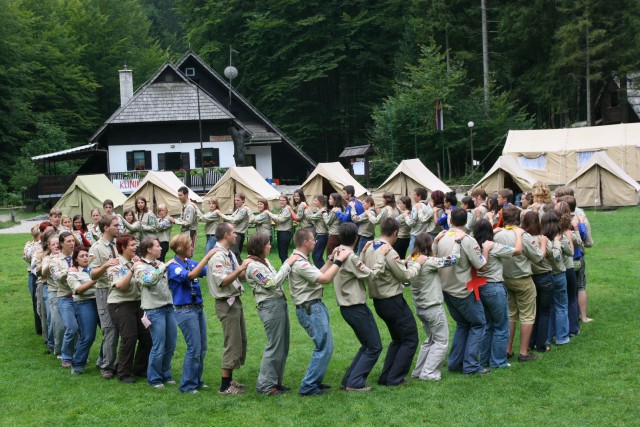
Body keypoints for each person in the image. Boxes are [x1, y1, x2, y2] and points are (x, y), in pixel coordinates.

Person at [361, 217, 426, 385]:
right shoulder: (389, 251)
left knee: (398, 339)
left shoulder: (369, 247)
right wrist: (417, 264)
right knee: (410, 339)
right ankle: (395, 378)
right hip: (393, 300)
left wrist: (403, 262)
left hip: (379, 301)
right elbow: (404, 275)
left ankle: (387, 376)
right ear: (396, 233)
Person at [288, 228, 350, 396]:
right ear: (306, 243)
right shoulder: (300, 263)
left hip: (314, 307)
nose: (316, 242)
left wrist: (331, 259)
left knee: (325, 346)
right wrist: (339, 261)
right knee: (324, 347)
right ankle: (308, 386)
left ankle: (314, 381)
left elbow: (319, 273)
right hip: (310, 309)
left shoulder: (302, 260)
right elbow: (325, 279)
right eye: (313, 240)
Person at [333, 223, 389, 392]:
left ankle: (349, 380)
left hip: (347, 307)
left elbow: (356, 269)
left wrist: (363, 252)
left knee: (367, 344)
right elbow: (371, 274)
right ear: (356, 237)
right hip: (355, 306)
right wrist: (381, 256)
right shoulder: (350, 256)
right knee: (374, 346)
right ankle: (355, 383)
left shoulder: (339, 252)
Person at [245, 232, 300, 395]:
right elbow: (271, 283)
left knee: (282, 345)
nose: (270, 246)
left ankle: (275, 381)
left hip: (278, 304)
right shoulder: (253, 266)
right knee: (274, 345)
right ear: (260, 246)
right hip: (270, 307)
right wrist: (287, 264)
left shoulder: (265, 261)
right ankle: (265, 385)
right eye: (268, 243)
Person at [434, 209, 488, 374]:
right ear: (466, 221)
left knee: (463, 324)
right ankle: (471, 365)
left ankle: (455, 363)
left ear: (450, 219)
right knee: (479, 324)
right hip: (462, 290)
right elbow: (482, 265)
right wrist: (485, 249)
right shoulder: (467, 240)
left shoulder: (441, 237)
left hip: (446, 289)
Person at [206, 222, 252, 395]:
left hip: (235, 300)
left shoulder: (229, 254)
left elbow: (238, 274)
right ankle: (224, 386)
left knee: (240, 340)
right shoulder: (218, 256)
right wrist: (241, 267)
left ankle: (230, 378)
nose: (236, 235)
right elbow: (223, 280)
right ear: (226, 235)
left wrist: (251, 269)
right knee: (231, 343)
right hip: (226, 303)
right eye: (233, 232)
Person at [494, 205, 544, 361]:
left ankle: (507, 350)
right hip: (522, 279)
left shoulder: (497, 234)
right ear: (519, 219)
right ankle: (523, 352)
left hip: (504, 279)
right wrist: (542, 243)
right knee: (528, 316)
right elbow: (538, 257)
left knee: (511, 314)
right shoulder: (523, 235)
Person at [167, 234, 216, 394]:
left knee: (202, 348)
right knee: (193, 348)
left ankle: (197, 381)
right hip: (185, 310)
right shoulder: (174, 266)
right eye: (190, 246)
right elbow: (190, 275)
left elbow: (206, 270)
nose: (192, 249)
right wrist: (207, 256)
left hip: (198, 308)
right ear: (181, 248)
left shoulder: (189, 263)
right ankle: (188, 385)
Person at [408, 231, 459, 381]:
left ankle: (418, 371)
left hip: (420, 308)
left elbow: (432, 258)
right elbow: (452, 260)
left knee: (430, 339)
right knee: (441, 341)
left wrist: (435, 242)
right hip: (433, 307)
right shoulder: (429, 263)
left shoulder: (413, 261)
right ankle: (428, 373)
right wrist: (458, 243)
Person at [474, 219, 524, 369]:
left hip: (480, 287)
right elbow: (517, 251)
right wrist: (519, 234)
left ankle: (485, 359)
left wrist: (494, 231)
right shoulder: (493, 246)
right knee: (501, 326)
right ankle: (498, 362)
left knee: (488, 325)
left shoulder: (473, 246)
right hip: (494, 287)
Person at [107, 233, 152, 383]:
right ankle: (123, 372)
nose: (135, 248)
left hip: (138, 302)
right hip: (120, 303)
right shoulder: (115, 265)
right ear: (123, 247)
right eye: (132, 245)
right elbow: (121, 286)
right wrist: (132, 269)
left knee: (147, 337)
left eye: (135, 244)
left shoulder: (138, 261)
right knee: (129, 336)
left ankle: (139, 368)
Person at [133, 237, 177, 388]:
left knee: (170, 344)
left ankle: (166, 374)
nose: (161, 248)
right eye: (157, 246)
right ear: (149, 250)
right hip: (154, 310)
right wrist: (163, 267)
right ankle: (154, 378)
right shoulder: (139, 267)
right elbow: (148, 280)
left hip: (168, 308)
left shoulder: (159, 264)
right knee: (158, 345)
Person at [88, 215, 123, 379]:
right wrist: (105, 265)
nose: (118, 228)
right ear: (106, 228)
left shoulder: (117, 244)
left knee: (120, 329)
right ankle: (107, 367)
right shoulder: (96, 248)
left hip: (119, 290)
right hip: (104, 291)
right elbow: (92, 274)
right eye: (115, 225)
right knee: (110, 329)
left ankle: (109, 360)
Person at [520, 211, 552, 353]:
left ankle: (530, 342)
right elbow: (550, 254)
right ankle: (541, 345)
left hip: (530, 277)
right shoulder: (541, 238)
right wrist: (544, 243)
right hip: (544, 277)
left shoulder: (521, 239)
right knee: (544, 312)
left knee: (532, 312)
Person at [540, 210, 572, 346]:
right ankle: (562, 337)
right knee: (561, 306)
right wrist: (560, 241)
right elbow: (569, 252)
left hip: (545, 276)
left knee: (546, 308)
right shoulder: (560, 237)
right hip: (558, 274)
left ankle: (547, 337)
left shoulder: (540, 237)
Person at [67, 246, 99, 375]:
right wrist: (95, 280)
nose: (85, 258)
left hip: (101, 301)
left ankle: (104, 360)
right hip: (84, 303)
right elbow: (78, 290)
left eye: (87, 255)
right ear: (75, 259)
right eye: (82, 256)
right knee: (88, 336)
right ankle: (78, 364)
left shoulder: (95, 269)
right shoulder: (73, 273)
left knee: (110, 334)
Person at [49, 231, 78, 369]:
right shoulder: (54, 260)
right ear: (61, 243)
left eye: (73, 241)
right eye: (69, 241)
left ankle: (78, 355)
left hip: (80, 297)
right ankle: (66, 356)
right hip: (64, 297)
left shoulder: (78, 256)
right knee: (71, 328)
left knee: (80, 329)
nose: (72, 243)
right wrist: (69, 271)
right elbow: (56, 277)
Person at [220, 193, 251, 262]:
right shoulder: (239, 209)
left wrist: (221, 215)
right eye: (235, 200)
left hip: (238, 234)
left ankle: (239, 269)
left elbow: (234, 220)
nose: (236, 202)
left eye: (238, 200)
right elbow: (232, 217)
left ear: (243, 201)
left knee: (235, 254)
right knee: (235, 253)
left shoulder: (243, 210)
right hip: (237, 233)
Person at [23, 226, 42, 335]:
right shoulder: (29, 245)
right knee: (35, 300)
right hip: (32, 273)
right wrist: (32, 248)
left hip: (40, 272)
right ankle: (39, 327)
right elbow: (26, 257)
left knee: (39, 300)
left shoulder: (43, 243)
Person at [405, 187, 434, 254]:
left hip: (416, 237)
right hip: (425, 236)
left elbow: (411, 223)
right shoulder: (429, 205)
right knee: (423, 255)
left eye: (414, 195)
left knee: (413, 257)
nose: (413, 196)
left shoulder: (417, 206)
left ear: (419, 196)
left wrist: (406, 216)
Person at [268, 194, 294, 264]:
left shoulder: (287, 209)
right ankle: (286, 270)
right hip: (281, 232)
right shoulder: (283, 209)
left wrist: (270, 214)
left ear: (287, 201)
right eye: (280, 200)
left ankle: (287, 271)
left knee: (283, 254)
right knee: (282, 254)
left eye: (283, 200)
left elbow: (280, 220)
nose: (281, 202)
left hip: (284, 233)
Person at [309, 195, 329, 268]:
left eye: (316, 201)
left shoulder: (322, 211)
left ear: (321, 202)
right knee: (317, 255)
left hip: (322, 235)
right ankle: (322, 271)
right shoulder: (320, 210)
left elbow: (311, 217)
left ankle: (323, 272)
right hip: (320, 235)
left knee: (316, 255)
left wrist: (306, 208)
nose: (314, 202)